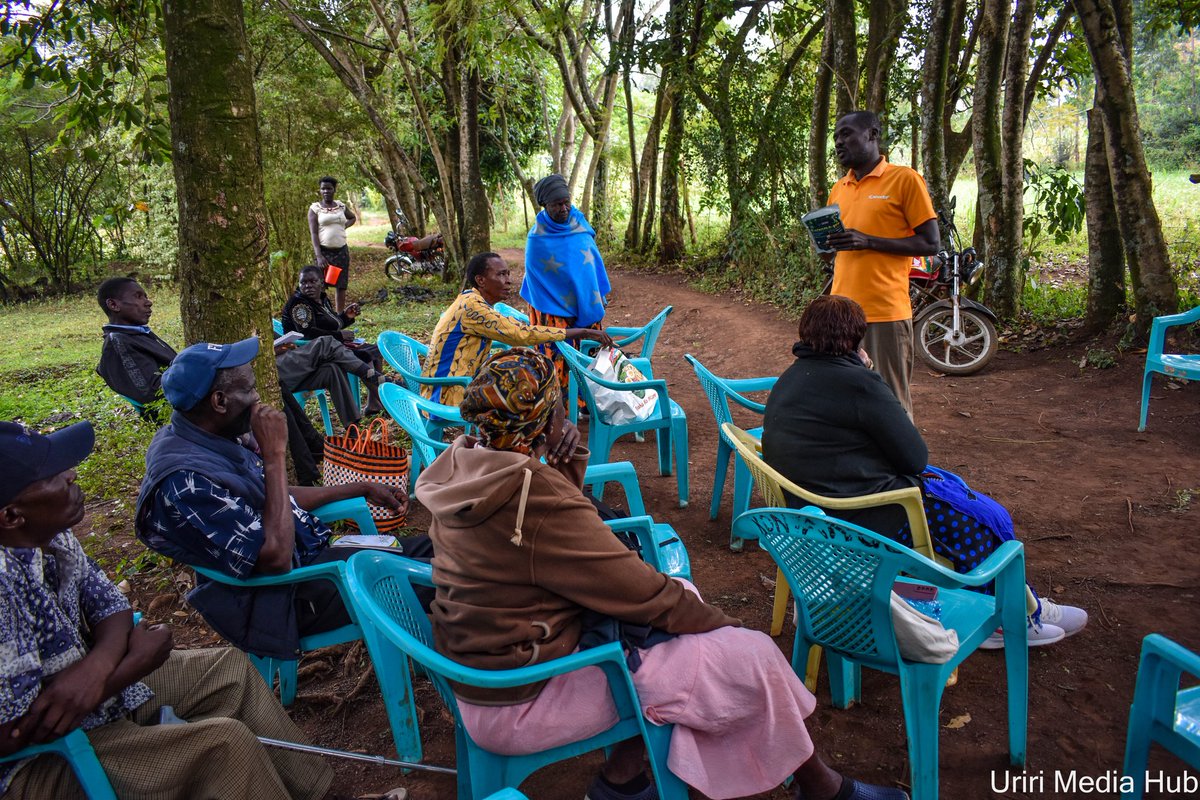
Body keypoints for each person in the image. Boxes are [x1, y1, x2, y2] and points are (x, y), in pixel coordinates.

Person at [414, 347, 909, 800]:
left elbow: (549, 548)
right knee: (747, 653)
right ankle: (822, 787)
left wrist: (560, 463)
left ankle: (624, 778)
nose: (568, 409)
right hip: (530, 695)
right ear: (544, 420)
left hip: (486, 674)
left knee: (687, 610)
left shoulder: (463, 463)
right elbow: (631, 585)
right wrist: (722, 623)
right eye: (560, 401)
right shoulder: (532, 497)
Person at [0, 419, 333, 800]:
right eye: (56, 475)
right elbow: (14, 731)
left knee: (227, 671)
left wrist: (97, 667)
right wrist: (127, 667)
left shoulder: (52, 538)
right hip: (32, 767)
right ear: (11, 516)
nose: (72, 475)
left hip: (96, 694)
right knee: (222, 746)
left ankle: (314, 792)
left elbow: (111, 606)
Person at [761, 295, 1088, 648]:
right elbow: (914, 458)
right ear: (857, 340)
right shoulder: (858, 383)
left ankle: (1029, 605)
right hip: (864, 516)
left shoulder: (791, 378)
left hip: (812, 513)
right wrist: (868, 373)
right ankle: (1004, 618)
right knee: (983, 520)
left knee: (961, 496)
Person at [134, 337, 432, 662]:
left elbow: (273, 498)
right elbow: (275, 558)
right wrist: (274, 455)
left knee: (443, 547)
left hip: (315, 557)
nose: (258, 397)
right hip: (284, 598)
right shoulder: (185, 480)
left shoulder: (207, 436)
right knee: (455, 576)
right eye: (249, 389)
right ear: (219, 401)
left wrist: (358, 488)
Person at [95, 277, 336, 484]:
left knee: (274, 384)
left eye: (145, 296)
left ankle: (313, 450)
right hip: (191, 409)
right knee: (257, 395)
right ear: (113, 305)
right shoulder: (119, 345)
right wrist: (212, 382)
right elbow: (153, 393)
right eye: (137, 297)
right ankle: (306, 473)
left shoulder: (137, 334)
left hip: (200, 398)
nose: (147, 302)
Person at [824, 110, 940, 418]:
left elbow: (931, 243)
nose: (839, 142)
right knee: (846, 402)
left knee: (889, 403)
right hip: (840, 315)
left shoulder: (904, 179)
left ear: (873, 135)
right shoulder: (839, 188)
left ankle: (903, 467)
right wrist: (827, 248)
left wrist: (869, 241)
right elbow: (836, 251)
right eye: (836, 137)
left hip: (884, 314)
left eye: (846, 134)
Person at [421, 252, 614, 407]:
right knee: (529, 389)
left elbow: (515, 329)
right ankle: (521, 449)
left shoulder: (472, 301)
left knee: (527, 375)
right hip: (446, 394)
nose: (508, 281)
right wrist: (583, 332)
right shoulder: (473, 307)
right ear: (480, 280)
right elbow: (520, 334)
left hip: (459, 384)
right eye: (500, 275)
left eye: (507, 274)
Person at [520, 173, 611, 398]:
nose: (564, 208)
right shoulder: (538, 239)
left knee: (588, 354)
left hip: (586, 302)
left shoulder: (580, 225)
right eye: (557, 204)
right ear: (544, 206)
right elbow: (537, 280)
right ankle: (558, 404)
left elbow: (591, 266)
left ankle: (586, 401)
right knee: (558, 355)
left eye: (566, 202)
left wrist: (596, 296)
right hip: (550, 307)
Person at [282, 265, 391, 415]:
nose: (308, 286)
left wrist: (346, 317)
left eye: (312, 281)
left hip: (331, 345)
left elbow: (332, 324)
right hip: (311, 352)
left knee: (375, 351)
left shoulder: (322, 299)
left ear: (321, 282)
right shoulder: (299, 304)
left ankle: (374, 404)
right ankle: (390, 403)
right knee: (364, 356)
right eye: (303, 283)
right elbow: (307, 333)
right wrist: (339, 336)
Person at [308, 176, 356, 313]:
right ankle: (322, 313)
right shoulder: (315, 209)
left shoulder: (340, 206)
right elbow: (314, 233)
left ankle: (340, 316)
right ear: (320, 190)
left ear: (334, 189)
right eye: (323, 188)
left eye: (329, 188)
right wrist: (319, 255)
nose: (326, 191)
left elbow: (352, 217)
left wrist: (342, 227)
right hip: (324, 252)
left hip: (341, 251)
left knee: (340, 285)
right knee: (321, 285)